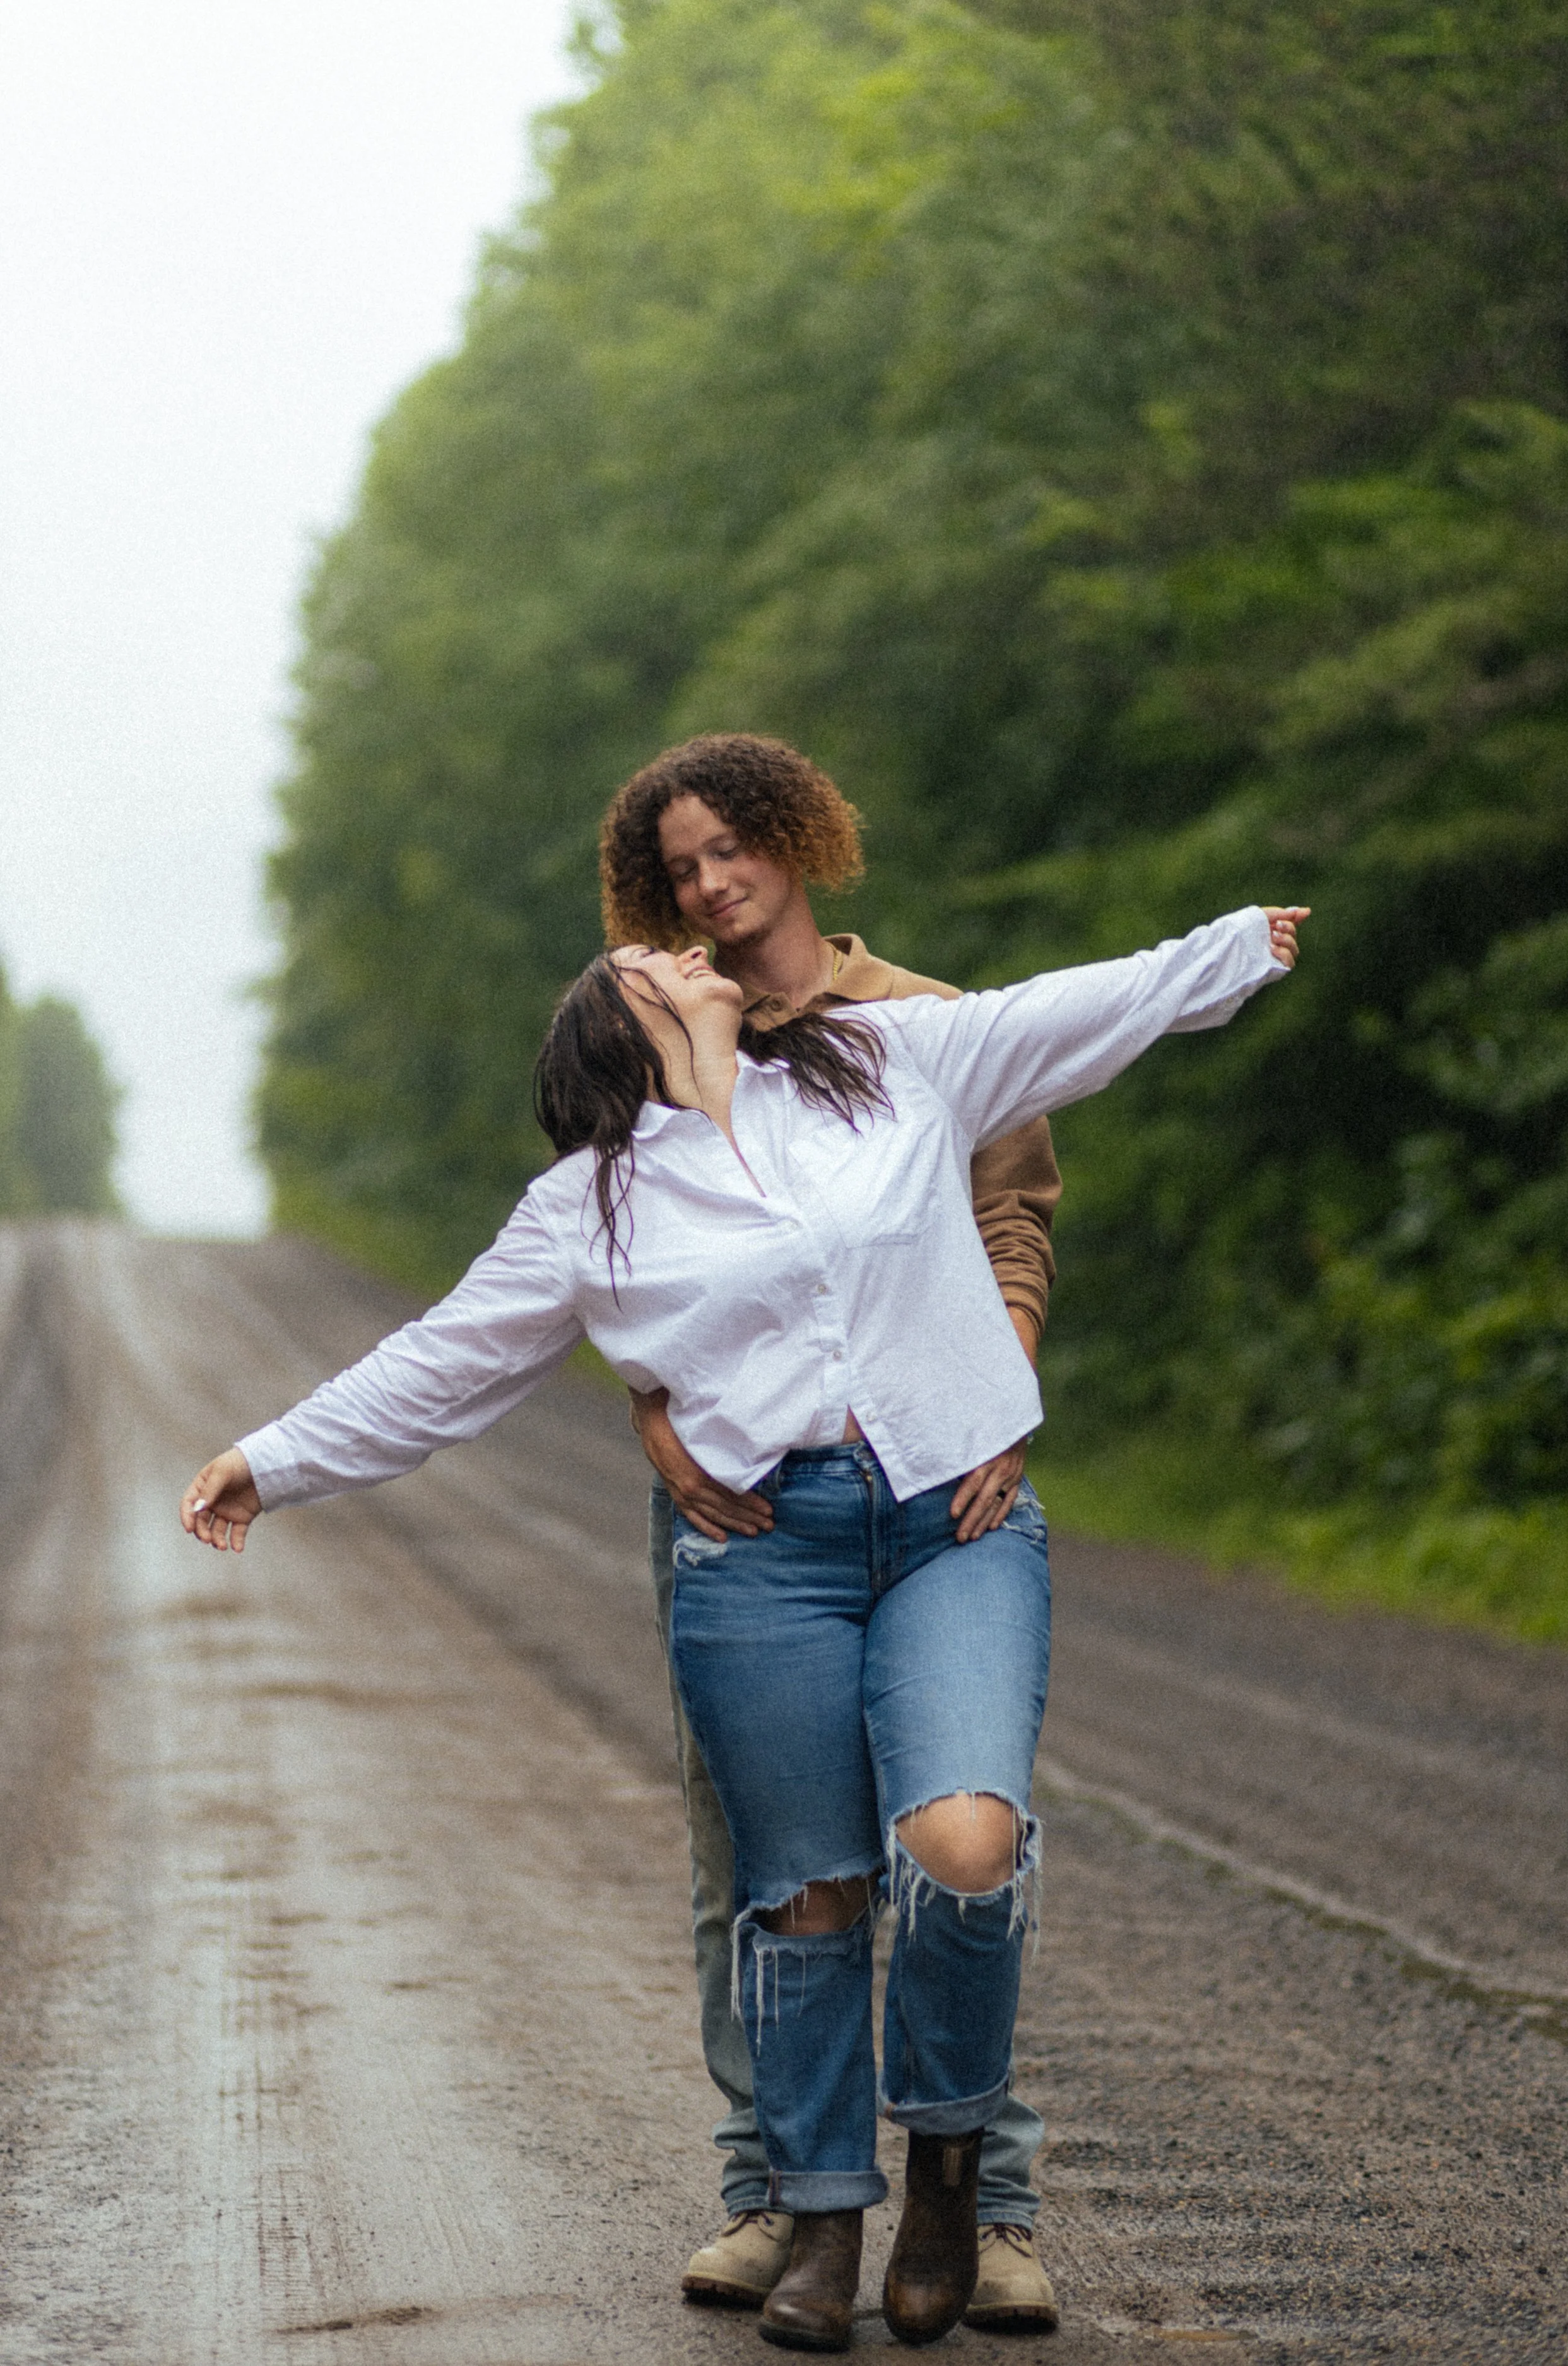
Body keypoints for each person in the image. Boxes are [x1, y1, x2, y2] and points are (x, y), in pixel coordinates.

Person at [182, 892, 1303, 2351]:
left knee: (961, 1850)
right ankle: (824, 2211)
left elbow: (1063, 1012)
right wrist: (267, 1462)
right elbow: (436, 1365)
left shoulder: (886, 1063)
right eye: (654, 962)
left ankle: (952, 2170)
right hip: (762, 1554)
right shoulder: (589, 1205)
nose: (689, 954)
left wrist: (1226, 950)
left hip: (947, 1522)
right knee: (804, 1895)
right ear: (620, 1025)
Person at [598, 734, 1064, 2328]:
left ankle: (985, 2205)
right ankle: (769, 2194)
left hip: (935, 1482)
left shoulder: (930, 1023)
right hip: (737, 1498)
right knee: (754, 1860)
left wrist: (991, 1390)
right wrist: (655, 1419)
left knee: (958, 1846)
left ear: (796, 837)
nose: (715, 886)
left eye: (734, 848)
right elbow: (623, 1255)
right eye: (683, 870)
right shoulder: (657, 1033)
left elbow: (1011, 1219)